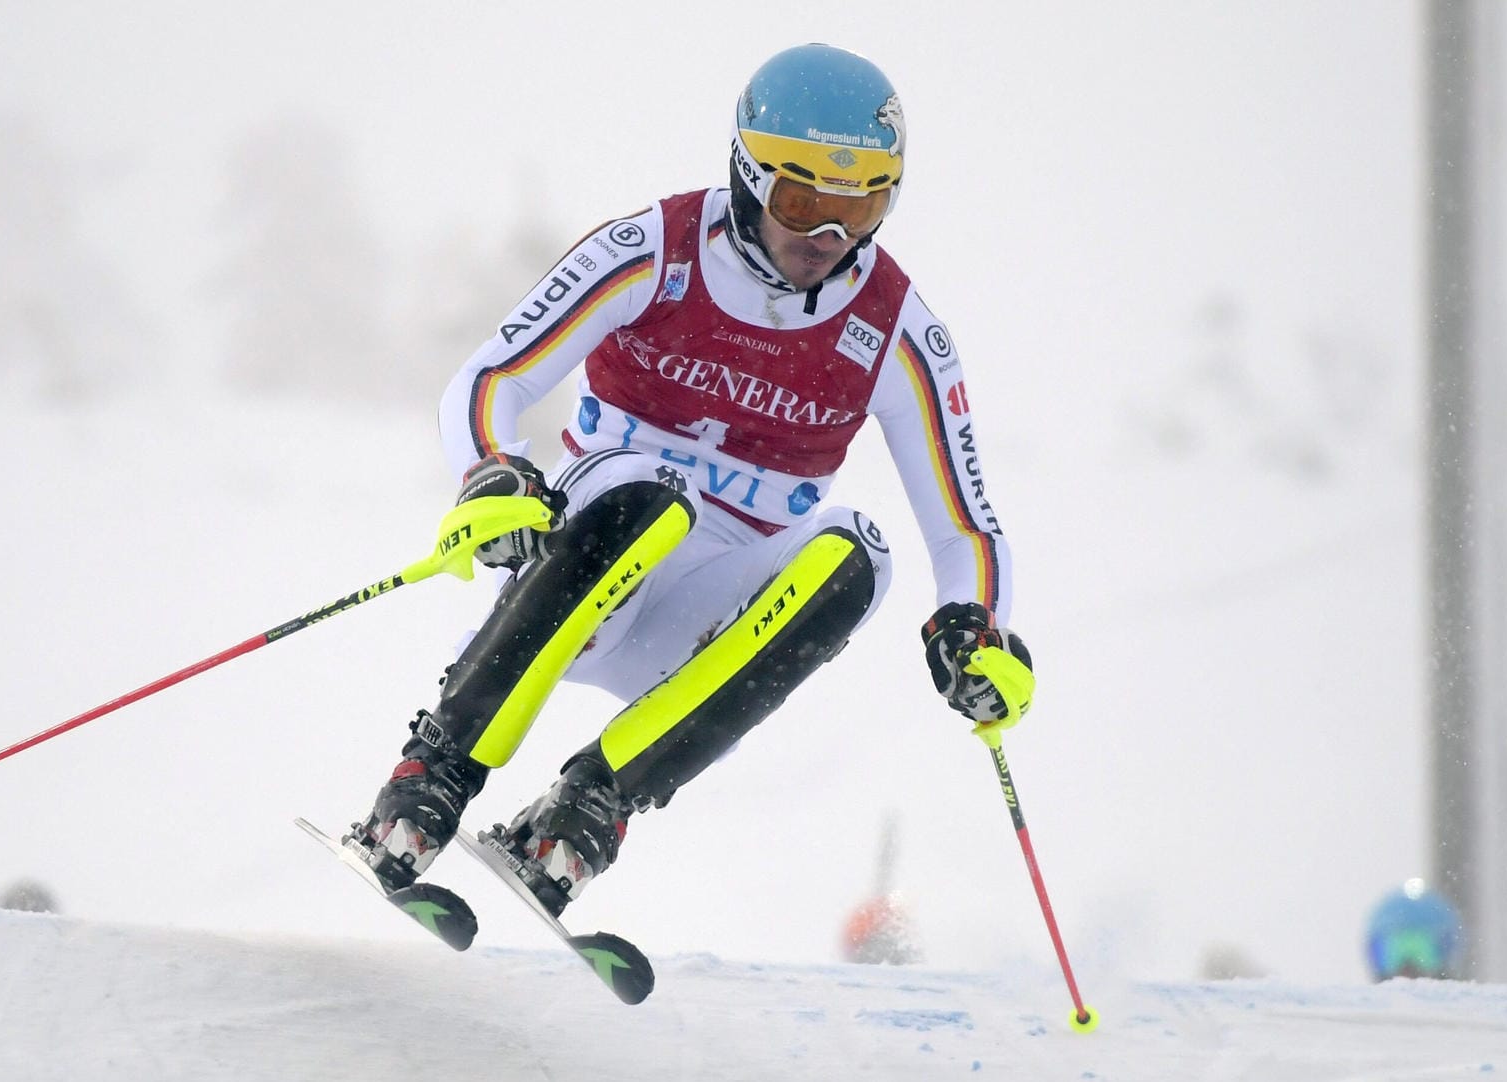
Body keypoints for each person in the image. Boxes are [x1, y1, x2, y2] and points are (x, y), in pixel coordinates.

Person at [345, 42, 1034, 918]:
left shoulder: (895, 328)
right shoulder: (656, 251)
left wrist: (977, 631)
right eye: (801, 201)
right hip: (585, 581)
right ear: (747, 178)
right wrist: (492, 474)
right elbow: (490, 381)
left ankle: (589, 808)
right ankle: (436, 772)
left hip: (707, 626)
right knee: (656, 495)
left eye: (860, 209)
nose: (826, 239)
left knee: (862, 554)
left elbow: (965, 527)